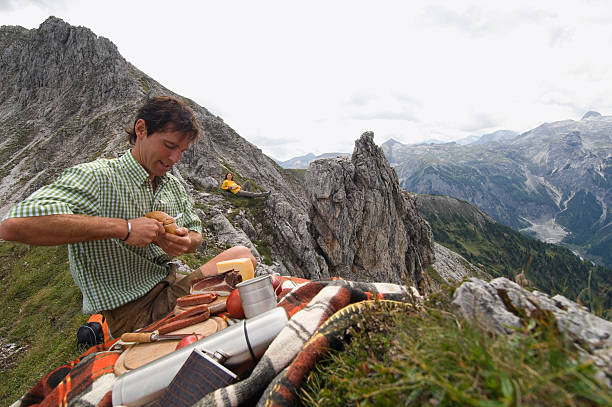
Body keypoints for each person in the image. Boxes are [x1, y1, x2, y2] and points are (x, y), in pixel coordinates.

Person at [0, 96, 255, 336]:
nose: (175, 158)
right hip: (135, 314)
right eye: (169, 146)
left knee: (242, 256)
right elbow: (14, 226)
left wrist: (186, 241)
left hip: (170, 286)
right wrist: (125, 228)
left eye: (182, 151)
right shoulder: (98, 177)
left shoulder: (172, 185)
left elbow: (195, 233)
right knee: (241, 266)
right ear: (141, 130)